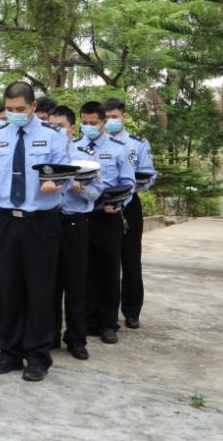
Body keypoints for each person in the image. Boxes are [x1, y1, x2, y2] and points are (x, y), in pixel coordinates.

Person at [0, 81, 69, 382]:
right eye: (9, 110)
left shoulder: (53, 137)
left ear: (33, 107)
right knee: (8, 288)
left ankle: (37, 357)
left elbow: (65, 173)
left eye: (20, 109)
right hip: (7, 220)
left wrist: (55, 183)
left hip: (40, 222)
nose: (14, 114)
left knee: (39, 290)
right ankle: (9, 352)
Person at [83, 101, 137, 345]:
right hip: (83, 216)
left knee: (109, 270)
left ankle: (108, 323)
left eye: (93, 123)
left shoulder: (119, 148)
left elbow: (129, 183)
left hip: (108, 215)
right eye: (84, 123)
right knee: (86, 270)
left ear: (103, 122)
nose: (88, 127)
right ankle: (89, 320)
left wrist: (118, 204)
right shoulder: (75, 148)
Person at [104, 97, 156, 330]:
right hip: (102, 206)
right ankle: (106, 313)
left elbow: (148, 175)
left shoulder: (137, 144)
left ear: (124, 117)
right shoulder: (93, 143)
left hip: (129, 206)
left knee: (130, 259)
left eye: (114, 117)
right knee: (106, 262)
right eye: (105, 118)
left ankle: (132, 311)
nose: (110, 121)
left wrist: (131, 185)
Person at [52, 104, 98, 360]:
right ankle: (50, 335)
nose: (57, 131)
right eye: (52, 126)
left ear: (72, 128)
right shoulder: (44, 155)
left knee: (76, 285)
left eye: (60, 126)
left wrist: (82, 189)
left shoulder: (84, 155)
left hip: (75, 223)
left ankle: (76, 339)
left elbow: (97, 189)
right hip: (49, 224)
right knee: (48, 284)